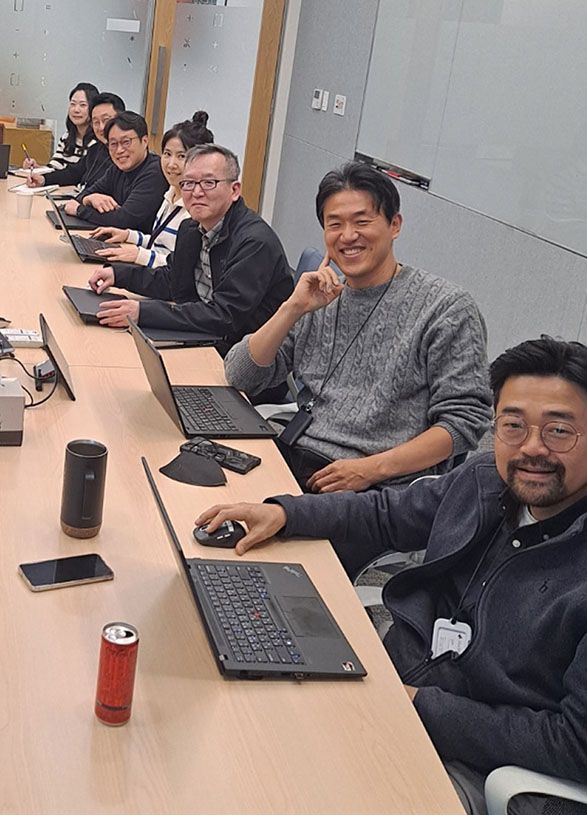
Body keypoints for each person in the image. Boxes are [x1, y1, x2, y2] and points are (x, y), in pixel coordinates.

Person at [197, 336, 587, 815]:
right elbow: (385, 514)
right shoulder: (483, 480)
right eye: (513, 425)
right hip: (383, 682)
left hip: (467, 761)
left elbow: (573, 746)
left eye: (559, 432)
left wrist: (413, 702)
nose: (532, 448)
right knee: (229, 722)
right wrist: (285, 514)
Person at [223, 161, 492, 492]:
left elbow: (464, 423)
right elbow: (241, 375)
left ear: (395, 225)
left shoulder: (445, 307)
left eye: (362, 222)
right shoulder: (320, 296)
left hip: (378, 488)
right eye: (334, 224)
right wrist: (292, 307)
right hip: (298, 457)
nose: (348, 236)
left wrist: (371, 469)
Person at [87, 143, 293, 358]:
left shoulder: (254, 243)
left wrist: (143, 312)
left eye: (208, 183)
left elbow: (226, 317)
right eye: (188, 183)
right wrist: (118, 274)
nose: (196, 192)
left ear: (234, 190)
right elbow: (171, 281)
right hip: (204, 335)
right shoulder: (191, 228)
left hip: (243, 357)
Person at [89, 110, 213, 268]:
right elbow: (160, 242)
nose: (171, 164)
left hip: (164, 284)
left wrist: (138, 255)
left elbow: (180, 266)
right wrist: (129, 235)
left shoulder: (198, 209)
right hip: (152, 273)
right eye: (167, 154)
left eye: (181, 156)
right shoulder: (171, 195)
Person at [63, 111, 167, 233]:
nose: (119, 150)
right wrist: (89, 199)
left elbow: (123, 220)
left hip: (141, 248)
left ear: (144, 141)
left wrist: (80, 210)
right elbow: (82, 196)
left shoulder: (155, 171)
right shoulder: (117, 168)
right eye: (113, 144)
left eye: (126, 142)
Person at [27, 92, 125, 192]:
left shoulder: (124, 155)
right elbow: (74, 173)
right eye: (96, 122)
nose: (101, 127)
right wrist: (44, 179)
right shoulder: (96, 149)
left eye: (106, 120)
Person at [23, 82, 98, 172]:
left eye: (83, 105)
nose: (76, 110)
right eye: (73, 104)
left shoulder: (97, 142)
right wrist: (36, 168)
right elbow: (55, 167)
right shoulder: (67, 137)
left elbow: (83, 176)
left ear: (93, 109)